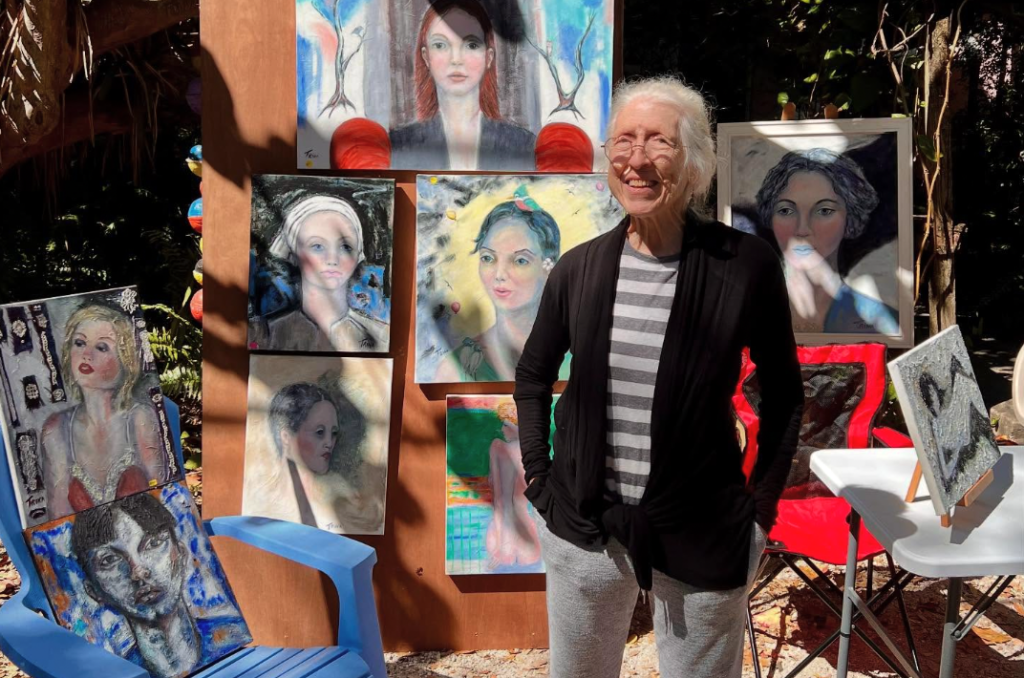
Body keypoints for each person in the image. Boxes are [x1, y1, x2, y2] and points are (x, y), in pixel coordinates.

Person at [514, 75, 804, 678]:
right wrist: (539, 481)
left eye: (658, 141)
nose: (637, 159)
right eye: (623, 140)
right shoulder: (577, 270)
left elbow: (783, 396)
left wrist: (759, 515)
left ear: (693, 160)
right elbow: (533, 375)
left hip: (705, 529)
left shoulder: (744, 267)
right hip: (584, 529)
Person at [72, 491, 249, 678]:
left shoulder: (232, 635)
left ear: (181, 554)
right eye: (109, 560)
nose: (138, 571)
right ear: (94, 591)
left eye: (153, 543)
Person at [40, 303, 168, 517]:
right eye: (79, 343)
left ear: (125, 360)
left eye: (102, 347)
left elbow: (162, 495)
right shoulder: (56, 429)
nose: (86, 354)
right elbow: (58, 514)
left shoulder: (139, 418)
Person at [754, 148, 899, 335]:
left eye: (824, 211)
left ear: (850, 218)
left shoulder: (881, 322)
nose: (802, 229)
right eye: (786, 211)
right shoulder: (747, 311)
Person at [389, 0, 535, 171]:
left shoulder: (522, 144)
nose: (456, 59)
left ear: (488, 57)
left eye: (471, 45)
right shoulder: (399, 144)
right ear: (426, 57)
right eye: (440, 45)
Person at [436, 188, 560, 381]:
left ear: (549, 268)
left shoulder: (584, 357)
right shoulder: (454, 369)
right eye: (488, 258)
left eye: (520, 260)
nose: (500, 275)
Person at [249, 195, 388, 352]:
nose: (332, 259)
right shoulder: (264, 335)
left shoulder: (382, 337)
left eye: (345, 247)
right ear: (293, 254)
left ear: (358, 255)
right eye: (317, 246)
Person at [266, 382, 341, 528]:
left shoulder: (337, 506)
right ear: (286, 436)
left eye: (334, 433)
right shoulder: (265, 503)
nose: (329, 442)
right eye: (319, 432)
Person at [485, 401, 540, 569]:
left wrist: (501, 546)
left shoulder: (499, 448)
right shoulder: (533, 451)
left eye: (505, 425)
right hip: (529, 537)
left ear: (514, 425)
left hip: (504, 537)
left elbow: (501, 500)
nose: (502, 430)